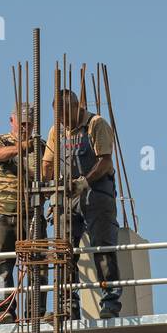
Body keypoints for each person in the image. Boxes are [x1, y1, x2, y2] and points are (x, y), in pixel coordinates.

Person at [41, 89, 123, 320]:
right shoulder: (57, 131)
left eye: (66, 116)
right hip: (68, 198)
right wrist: (47, 184)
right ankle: (68, 306)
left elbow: (105, 161)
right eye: (59, 118)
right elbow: (47, 163)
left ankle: (110, 301)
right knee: (64, 251)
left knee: (102, 248)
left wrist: (85, 181)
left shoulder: (95, 124)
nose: (64, 122)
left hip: (96, 194)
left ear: (76, 107)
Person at [0, 106, 44, 320]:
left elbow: (49, 169)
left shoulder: (40, 146)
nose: (25, 128)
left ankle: (35, 311)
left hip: (31, 213)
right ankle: (3, 309)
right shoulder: (0, 139)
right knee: (2, 264)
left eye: (29, 125)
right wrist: (24, 147)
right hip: (3, 211)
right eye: (21, 124)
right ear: (11, 120)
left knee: (37, 264)